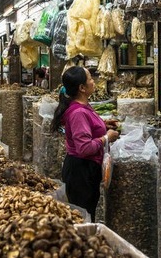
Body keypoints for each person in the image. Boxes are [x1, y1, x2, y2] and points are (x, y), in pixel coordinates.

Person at [51, 67, 119, 220]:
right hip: (80, 171)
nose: (93, 81)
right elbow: (84, 148)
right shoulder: (78, 113)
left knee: (87, 211)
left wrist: (103, 125)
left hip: (85, 169)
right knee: (83, 216)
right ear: (82, 88)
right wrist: (106, 138)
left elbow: (86, 128)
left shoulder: (82, 107)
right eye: (90, 79)